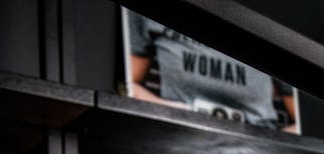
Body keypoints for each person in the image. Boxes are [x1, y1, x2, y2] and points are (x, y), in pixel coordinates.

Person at [124, 11, 299, 134]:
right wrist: (173, 113)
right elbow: (127, 85)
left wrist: (269, 141)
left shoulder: (277, 15)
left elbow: (306, 122)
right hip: (177, 132)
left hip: (258, 150)